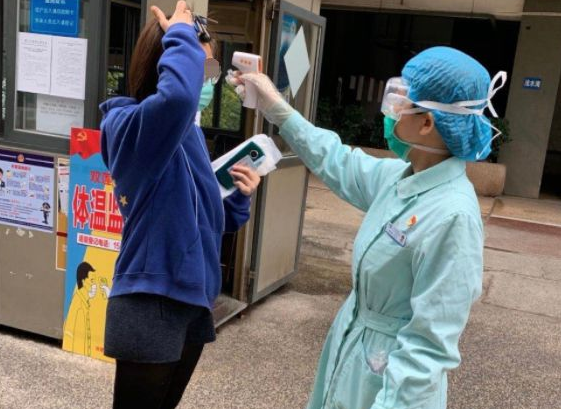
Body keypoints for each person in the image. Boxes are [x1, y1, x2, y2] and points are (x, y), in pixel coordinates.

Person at [228, 47, 507, 408]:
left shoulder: (453, 216)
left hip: (392, 386)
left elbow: (427, 351)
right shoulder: (400, 179)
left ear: (427, 123)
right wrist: (275, 107)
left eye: (400, 101)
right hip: (354, 355)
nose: (390, 111)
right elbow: (336, 159)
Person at [99, 2, 260, 408]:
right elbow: (175, 100)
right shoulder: (128, 126)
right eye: (199, 69)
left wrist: (239, 197)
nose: (207, 81)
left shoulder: (189, 135)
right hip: (149, 299)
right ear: (165, 63)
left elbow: (207, 219)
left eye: (211, 70)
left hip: (191, 301)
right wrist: (181, 34)